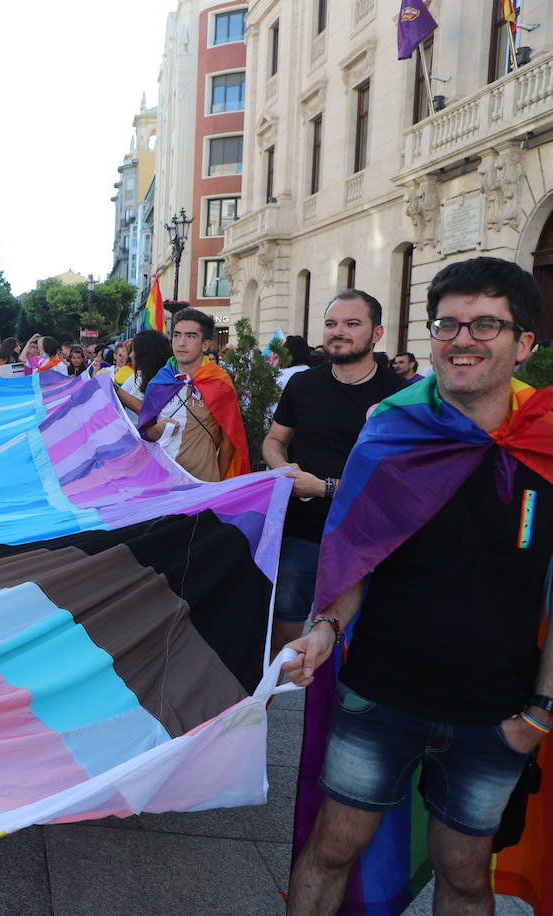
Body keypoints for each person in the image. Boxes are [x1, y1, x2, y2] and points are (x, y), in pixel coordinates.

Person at [283, 257, 553, 915]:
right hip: (380, 696)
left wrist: (539, 714)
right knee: (330, 850)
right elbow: (354, 558)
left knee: (466, 877)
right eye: (448, 324)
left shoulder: (547, 444)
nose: (463, 339)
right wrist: (326, 626)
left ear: (524, 344)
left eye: (486, 324)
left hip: (496, 712)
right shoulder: (393, 432)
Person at [262, 291, 407, 657]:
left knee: (353, 645)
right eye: (331, 324)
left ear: (377, 333)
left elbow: (398, 482)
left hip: (367, 539)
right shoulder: (303, 384)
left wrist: (325, 487)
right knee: (283, 640)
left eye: (351, 324)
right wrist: (281, 468)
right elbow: (274, 440)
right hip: (301, 534)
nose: (338, 332)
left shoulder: (400, 396)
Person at [136, 308, 250, 481]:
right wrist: (158, 429)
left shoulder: (219, 384)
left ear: (205, 344)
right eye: (176, 335)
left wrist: (215, 482)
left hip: (202, 486)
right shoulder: (159, 382)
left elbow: (230, 440)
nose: (181, 343)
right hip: (160, 483)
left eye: (190, 336)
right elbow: (146, 432)